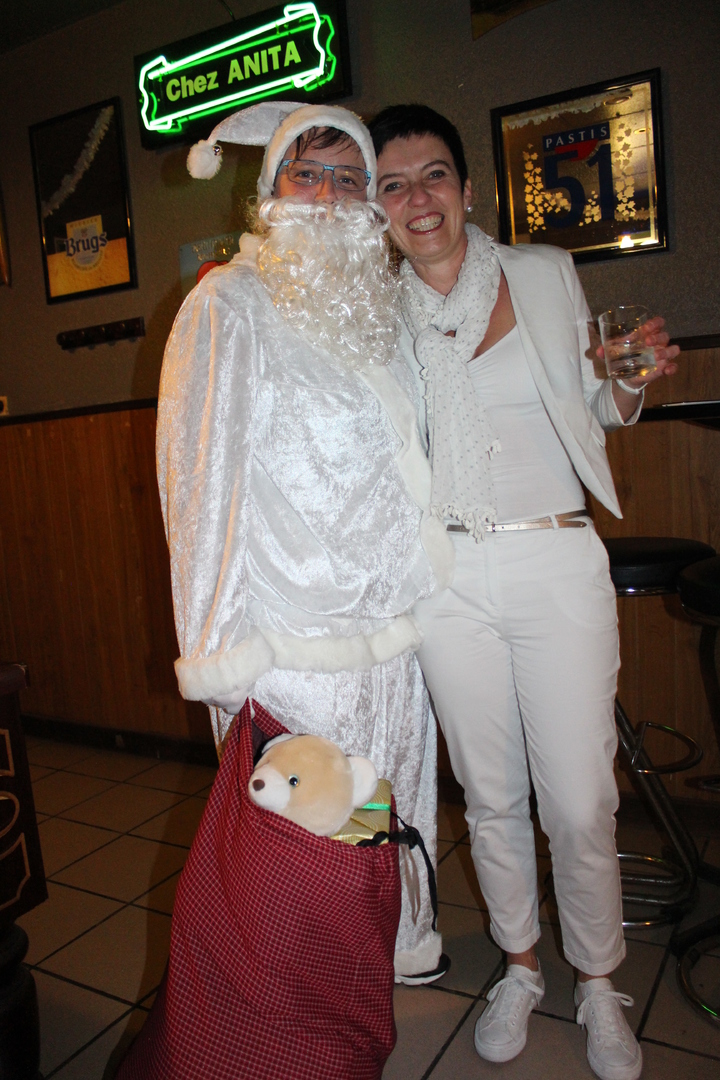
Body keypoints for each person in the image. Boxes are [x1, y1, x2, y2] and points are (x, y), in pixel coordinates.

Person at [368, 103, 680, 1080]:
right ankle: (519, 965)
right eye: (393, 185)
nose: (418, 198)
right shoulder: (377, 315)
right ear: (379, 209)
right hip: (449, 577)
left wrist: (628, 380)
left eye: (433, 175)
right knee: (492, 794)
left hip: (554, 556)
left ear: (467, 189)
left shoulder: (542, 274)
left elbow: (598, 405)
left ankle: (598, 980)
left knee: (581, 800)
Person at [156, 101, 455, 983]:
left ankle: (394, 945)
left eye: (349, 180)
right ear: (270, 191)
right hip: (289, 642)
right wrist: (217, 647)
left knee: (386, 805)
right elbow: (199, 485)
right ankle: (307, 990)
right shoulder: (227, 304)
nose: (328, 197)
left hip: (393, 633)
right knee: (305, 832)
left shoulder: (381, 310)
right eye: (308, 175)